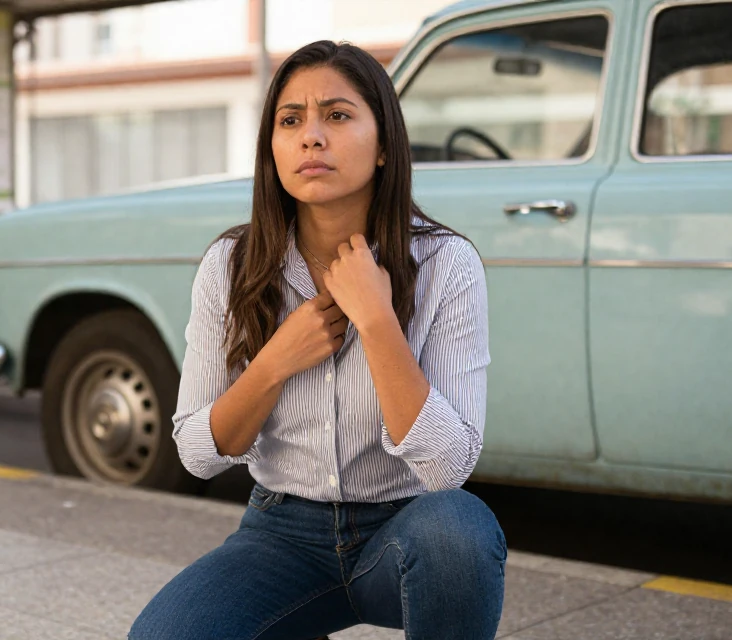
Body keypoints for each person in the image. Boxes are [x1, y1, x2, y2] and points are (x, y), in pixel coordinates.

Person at [130, 41, 505, 639]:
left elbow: (447, 466)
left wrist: (379, 322)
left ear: (384, 145)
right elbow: (199, 454)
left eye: (337, 115)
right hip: (282, 535)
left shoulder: (445, 263)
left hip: (402, 528)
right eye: (291, 120)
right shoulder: (232, 265)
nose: (311, 136)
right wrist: (274, 362)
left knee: (458, 529)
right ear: (272, 148)